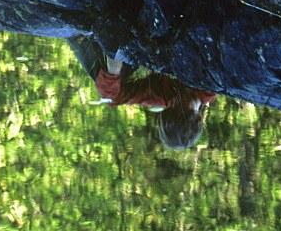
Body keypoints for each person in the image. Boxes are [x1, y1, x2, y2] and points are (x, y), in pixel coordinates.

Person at [68, 35, 217, 150]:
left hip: (150, 43)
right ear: (197, 115)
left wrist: (114, 66)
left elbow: (111, 97)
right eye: (180, 106)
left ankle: (78, 33)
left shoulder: (164, 98)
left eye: (172, 107)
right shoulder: (212, 88)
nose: (174, 100)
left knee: (100, 75)